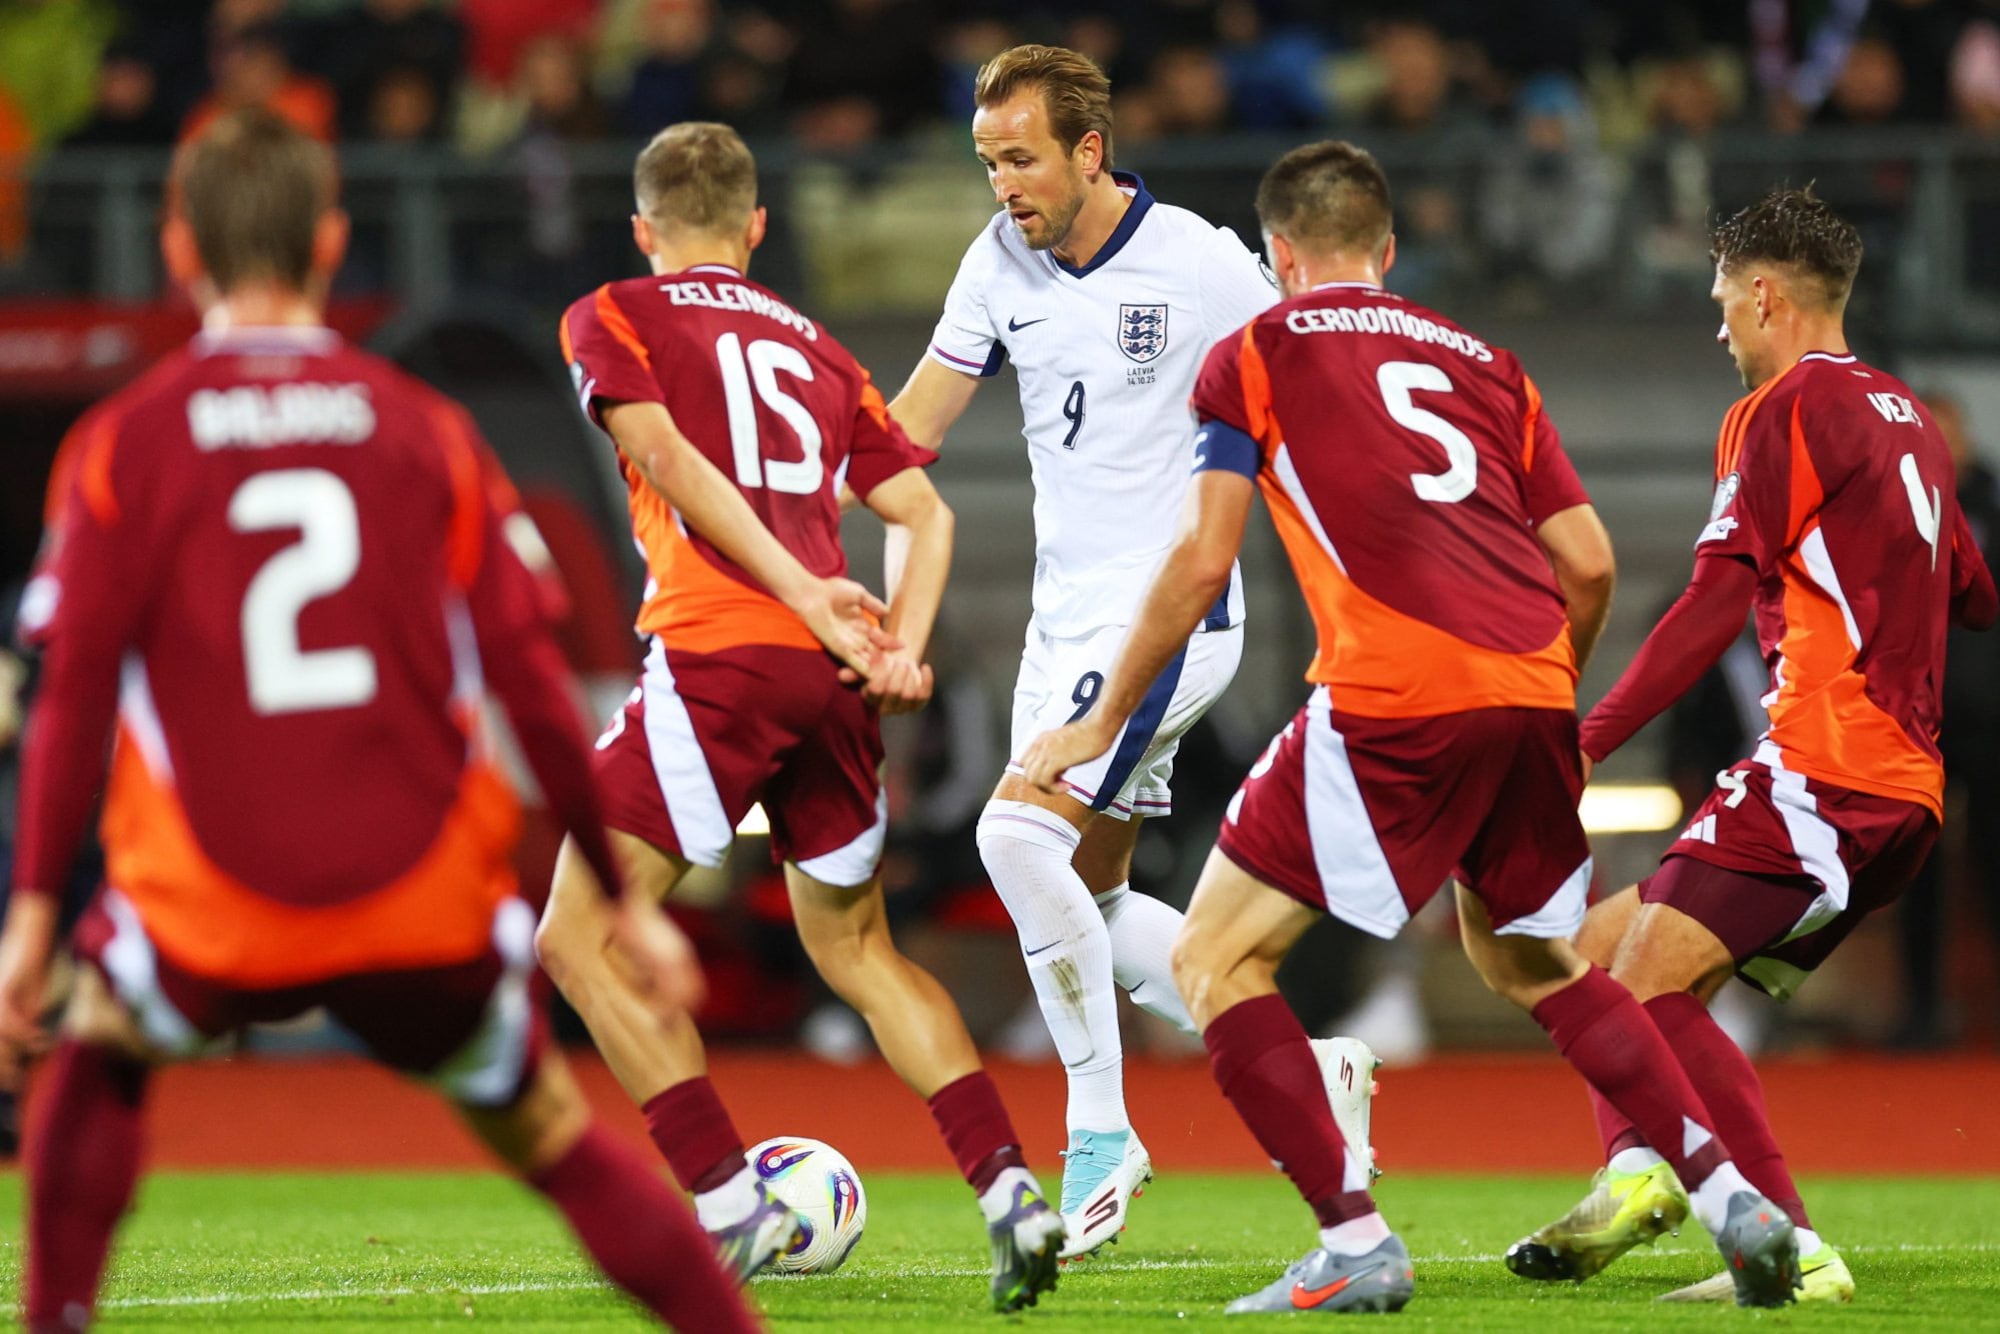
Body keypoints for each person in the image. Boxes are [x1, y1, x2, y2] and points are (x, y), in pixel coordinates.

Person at [0, 108, 757, 1333]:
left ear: (178, 245)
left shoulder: (120, 444)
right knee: (553, 1132)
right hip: (416, 893)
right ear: (333, 239)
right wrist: (623, 906)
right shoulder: (427, 431)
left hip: (210, 894)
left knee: (97, 1053)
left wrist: (31, 915)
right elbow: (531, 682)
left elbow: (73, 694)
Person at [1023, 139, 1805, 1314]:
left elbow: (1199, 558)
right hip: (1532, 686)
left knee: (1213, 958)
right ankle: (1731, 1197)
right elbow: (1583, 560)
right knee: (1533, 959)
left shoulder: (1254, 349)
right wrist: (1538, 688)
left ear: (1277, 253)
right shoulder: (1489, 363)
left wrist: (1099, 722)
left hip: (1392, 693)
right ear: (1386, 252)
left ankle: (1351, 1241)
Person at [534, 121, 1066, 1311]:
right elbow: (923, 515)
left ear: (642, 226)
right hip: (832, 682)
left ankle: (730, 1208)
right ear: (757, 225)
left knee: (573, 938)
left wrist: (800, 593)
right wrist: (892, 649)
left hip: (724, 656)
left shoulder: (610, 312)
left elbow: (664, 457)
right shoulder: (818, 349)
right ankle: (1010, 1190)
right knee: (860, 950)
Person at [888, 42, 1374, 1258]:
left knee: (1010, 834)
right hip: (1067, 621)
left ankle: (1098, 1131)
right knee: (1084, 891)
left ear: (1088, 150)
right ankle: (1314, 1079)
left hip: (1173, 615)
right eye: (987, 160)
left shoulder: (1203, 262)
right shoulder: (994, 261)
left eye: (1020, 160)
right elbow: (908, 433)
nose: (1002, 185)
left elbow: (1320, 380)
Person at [1507, 186, 1998, 1304]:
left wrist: (1582, 738)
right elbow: (1972, 592)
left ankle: (1763, 1235)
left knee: (1629, 991)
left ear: (1765, 296)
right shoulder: (1911, 416)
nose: (1718, 327)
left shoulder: (1778, 409)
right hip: (1895, 790)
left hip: (1827, 764)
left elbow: (1705, 605)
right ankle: (1647, 1174)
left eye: (1724, 303)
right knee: (1594, 952)